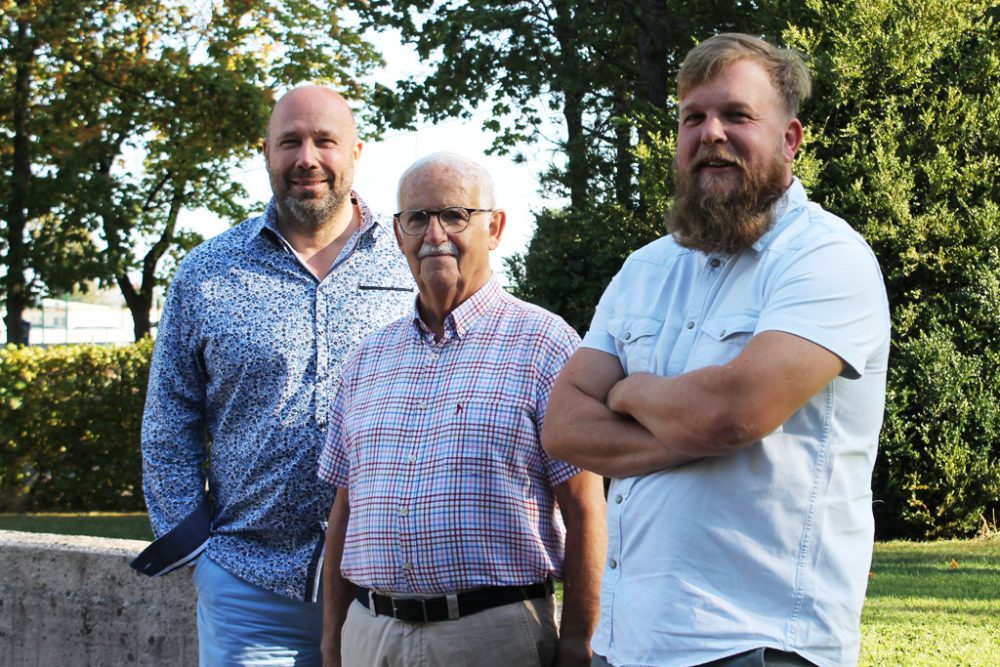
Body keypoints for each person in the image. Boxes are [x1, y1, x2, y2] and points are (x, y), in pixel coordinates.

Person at [542, 33, 891, 667]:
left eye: (736, 115)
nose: (711, 133)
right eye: (693, 117)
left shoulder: (828, 257)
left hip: (759, 645)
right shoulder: (645, 269)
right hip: (628, 644)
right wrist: (698, 427)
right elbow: (563, 426)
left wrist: (625, 392)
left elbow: (733, 413)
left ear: (789, 139)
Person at [130, 85, 415, 666]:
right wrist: (198, 554)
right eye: (290, 142)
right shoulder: (209, 272)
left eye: (324, 141)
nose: (307, 158)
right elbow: (168, 421)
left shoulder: (410, 257)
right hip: (250, 588)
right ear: (265, 153)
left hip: (387, 585)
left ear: (356, 151)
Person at [317, 152, 607, 667]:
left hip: (492, 638)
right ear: (397, 232)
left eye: (454, 215)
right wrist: (333, 638)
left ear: (494, 228)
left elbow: (585, 510)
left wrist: (577, 642)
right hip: (371, 636)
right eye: (416, 218)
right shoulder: (366, 359)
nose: (434, 234)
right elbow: (344, 511)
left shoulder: (546, 345)